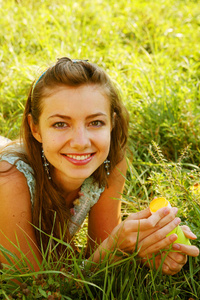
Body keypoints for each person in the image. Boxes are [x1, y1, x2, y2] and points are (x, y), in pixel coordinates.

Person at [0, 57, 198, 275]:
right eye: (60, 124)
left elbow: (99, 249)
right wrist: (112, 249)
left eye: (95, 122)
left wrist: (145, 248)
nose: (81, 141)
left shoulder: (108, 163)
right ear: (35, 128)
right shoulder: (8, 180)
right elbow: (31, 287)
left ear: (111, 123)